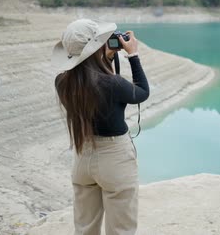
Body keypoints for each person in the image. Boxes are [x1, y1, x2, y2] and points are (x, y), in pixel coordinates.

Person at [51, 19, 149, 235]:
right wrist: (133, 55)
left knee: (85, 229)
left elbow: (89, 80)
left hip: (82, 158)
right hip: (115, 159)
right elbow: (142, 91)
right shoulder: (113, 84)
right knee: (121, 230)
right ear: (97, 48)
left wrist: (105, 58)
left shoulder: (61, 82)